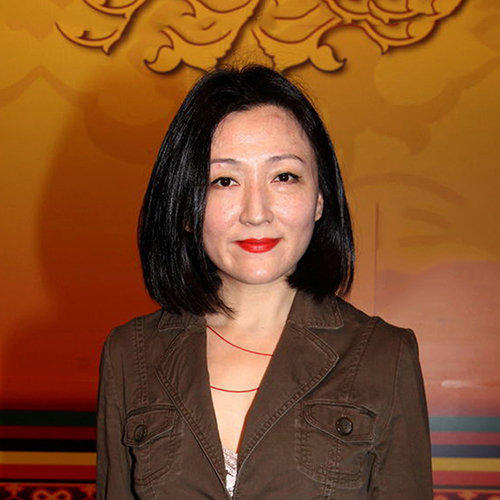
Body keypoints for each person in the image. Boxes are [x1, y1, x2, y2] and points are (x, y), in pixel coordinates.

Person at [96, 64, 433, 499]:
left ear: (319, 198)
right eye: (224, 180)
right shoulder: (130, 355)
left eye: (284, 176)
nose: (256, 213)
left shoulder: (384, 356)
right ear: (185, 207)